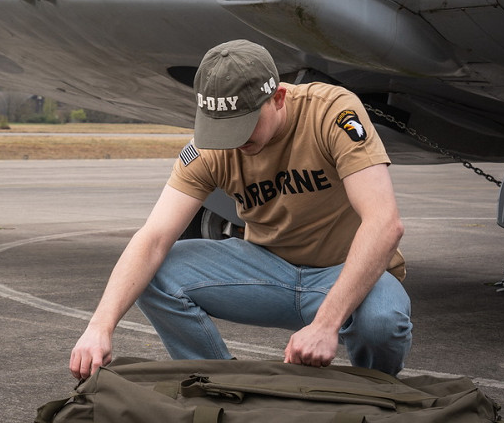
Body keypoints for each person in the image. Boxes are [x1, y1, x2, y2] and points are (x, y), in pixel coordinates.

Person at [69, 39, 412, 380]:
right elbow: (153, 237)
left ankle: (375, 396)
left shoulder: (330, 112)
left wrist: (325, 325)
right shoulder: (210, 149)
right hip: (266, 271)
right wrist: (100, 326)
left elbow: (384, 222)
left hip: (342, 269)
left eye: (244, 125)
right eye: (222, 127)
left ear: (278, 97)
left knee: (383, 322)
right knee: (152, 273)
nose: (233, 139)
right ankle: (218, 386)